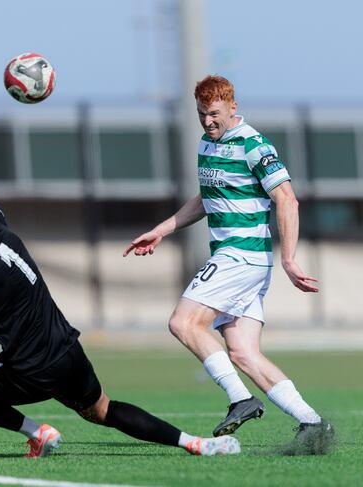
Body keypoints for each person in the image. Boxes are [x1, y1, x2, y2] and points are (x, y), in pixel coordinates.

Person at [0, 150, 240, 458]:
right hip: (67, 351)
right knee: (102, 410)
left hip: (29, 369)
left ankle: (36, 431)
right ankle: (195, 443)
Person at [122, 75, 334, 454]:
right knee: (243, 353)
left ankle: (240, 399)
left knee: (183, 322)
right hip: (242, 261)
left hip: (241, 255)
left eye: (215, 114)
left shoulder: (254, 145)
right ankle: (314, 424)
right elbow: (207, 199)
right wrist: (161, 230)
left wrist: (289, 258)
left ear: (232, 107)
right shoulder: (207, 143)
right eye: (202, 114)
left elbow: (287, 200)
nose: (208, 122)